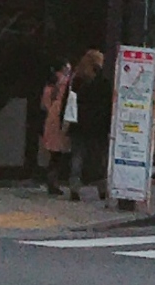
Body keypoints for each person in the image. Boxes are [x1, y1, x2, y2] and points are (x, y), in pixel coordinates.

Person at [67, 49, 112, 202]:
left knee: (77, 156)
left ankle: (74, 187)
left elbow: (70, 102)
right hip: (97, 126)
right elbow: (107, 105)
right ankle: (102, 189)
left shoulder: (77, 80)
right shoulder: (103, 82)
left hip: (79, 123)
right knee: (99, 158)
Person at [40, 59, 72, 196]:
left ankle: (51, 180)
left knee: (53, 153)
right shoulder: (66, 83)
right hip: (62, 116)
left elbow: (44, 103)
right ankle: (54, 181)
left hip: (51, 117)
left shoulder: (51, 84)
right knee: (59, 153)